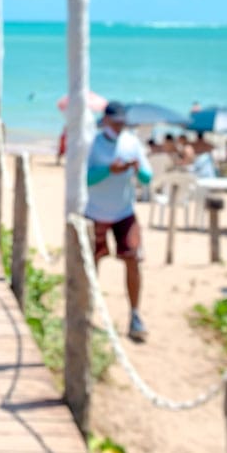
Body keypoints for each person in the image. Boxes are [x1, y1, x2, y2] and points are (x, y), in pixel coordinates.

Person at [86, 102, 153, 340]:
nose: (119, 126)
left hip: (124, 212)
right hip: (94, 213)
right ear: (105, 120)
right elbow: (85, 179)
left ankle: (135, 314)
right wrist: (108, 170)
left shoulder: (132, 142)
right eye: (116, 121)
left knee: (133, 260)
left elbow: (147, 178)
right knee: (91, 264)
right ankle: (86, 311)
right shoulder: (92, 143)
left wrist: (137, 169)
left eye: (122, 121)